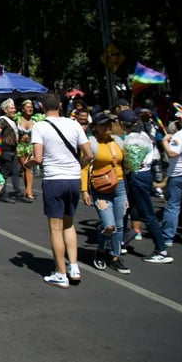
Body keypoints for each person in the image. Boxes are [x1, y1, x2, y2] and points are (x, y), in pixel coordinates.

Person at [26, 92, 93, 289]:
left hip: (54, 179)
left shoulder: (40, 126)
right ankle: (73, 267)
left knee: (55, 227)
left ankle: (60, 273)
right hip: (73, 179)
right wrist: (76, 167)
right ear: (61, 105)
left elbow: (38, 158)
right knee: (69, 224)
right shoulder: (74, 124)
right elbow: (89, 154)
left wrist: (27, 165)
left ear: (41, 107)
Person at [118, 109, 173, 264]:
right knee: (128, 208)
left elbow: (131, 165)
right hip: (145, 174)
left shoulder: (131, 140)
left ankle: (161, 250)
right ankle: (121, 240)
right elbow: (154, 157)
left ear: (122, 124)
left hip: (137, 177)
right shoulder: (145, 136)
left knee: (147, 213)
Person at [80, 112, 130, 274]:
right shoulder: (91, 143)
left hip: (120, 186)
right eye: (103, 124)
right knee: (109, 225)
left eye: (110, 124)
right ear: (95, 127)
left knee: (119, 226)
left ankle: (115, 257)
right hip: (100, 188)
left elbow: (126, 163)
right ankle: (101, 250)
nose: (108, 127)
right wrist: (84, 190)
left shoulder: (119, 142)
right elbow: (85, 167)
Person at [160, 106, 182, 247]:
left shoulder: (181, 135)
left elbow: (173, 153)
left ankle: (167, 237)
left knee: (173, 205)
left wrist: (165, 142)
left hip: (178, 174)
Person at [0, 99, 30, 203]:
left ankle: (18, 193)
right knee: (4, 173)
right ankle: (2, 194)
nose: (14, 110)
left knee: (15, 172)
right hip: (5, 150)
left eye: (14, 108)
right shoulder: (2, 120)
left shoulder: (12, 120)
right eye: (11, 108)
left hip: (13, 150)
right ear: (5, 110)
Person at [16, 99, 41, 200]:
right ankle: (27, 189)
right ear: (23, 109)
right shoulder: (18, 119)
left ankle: (29, 190)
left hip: (31, 146)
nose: (30, 109)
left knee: (28, 168)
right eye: (28, 107)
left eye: (31, 107)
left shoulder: (36, 119)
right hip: (21, 146)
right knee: (24, 168)